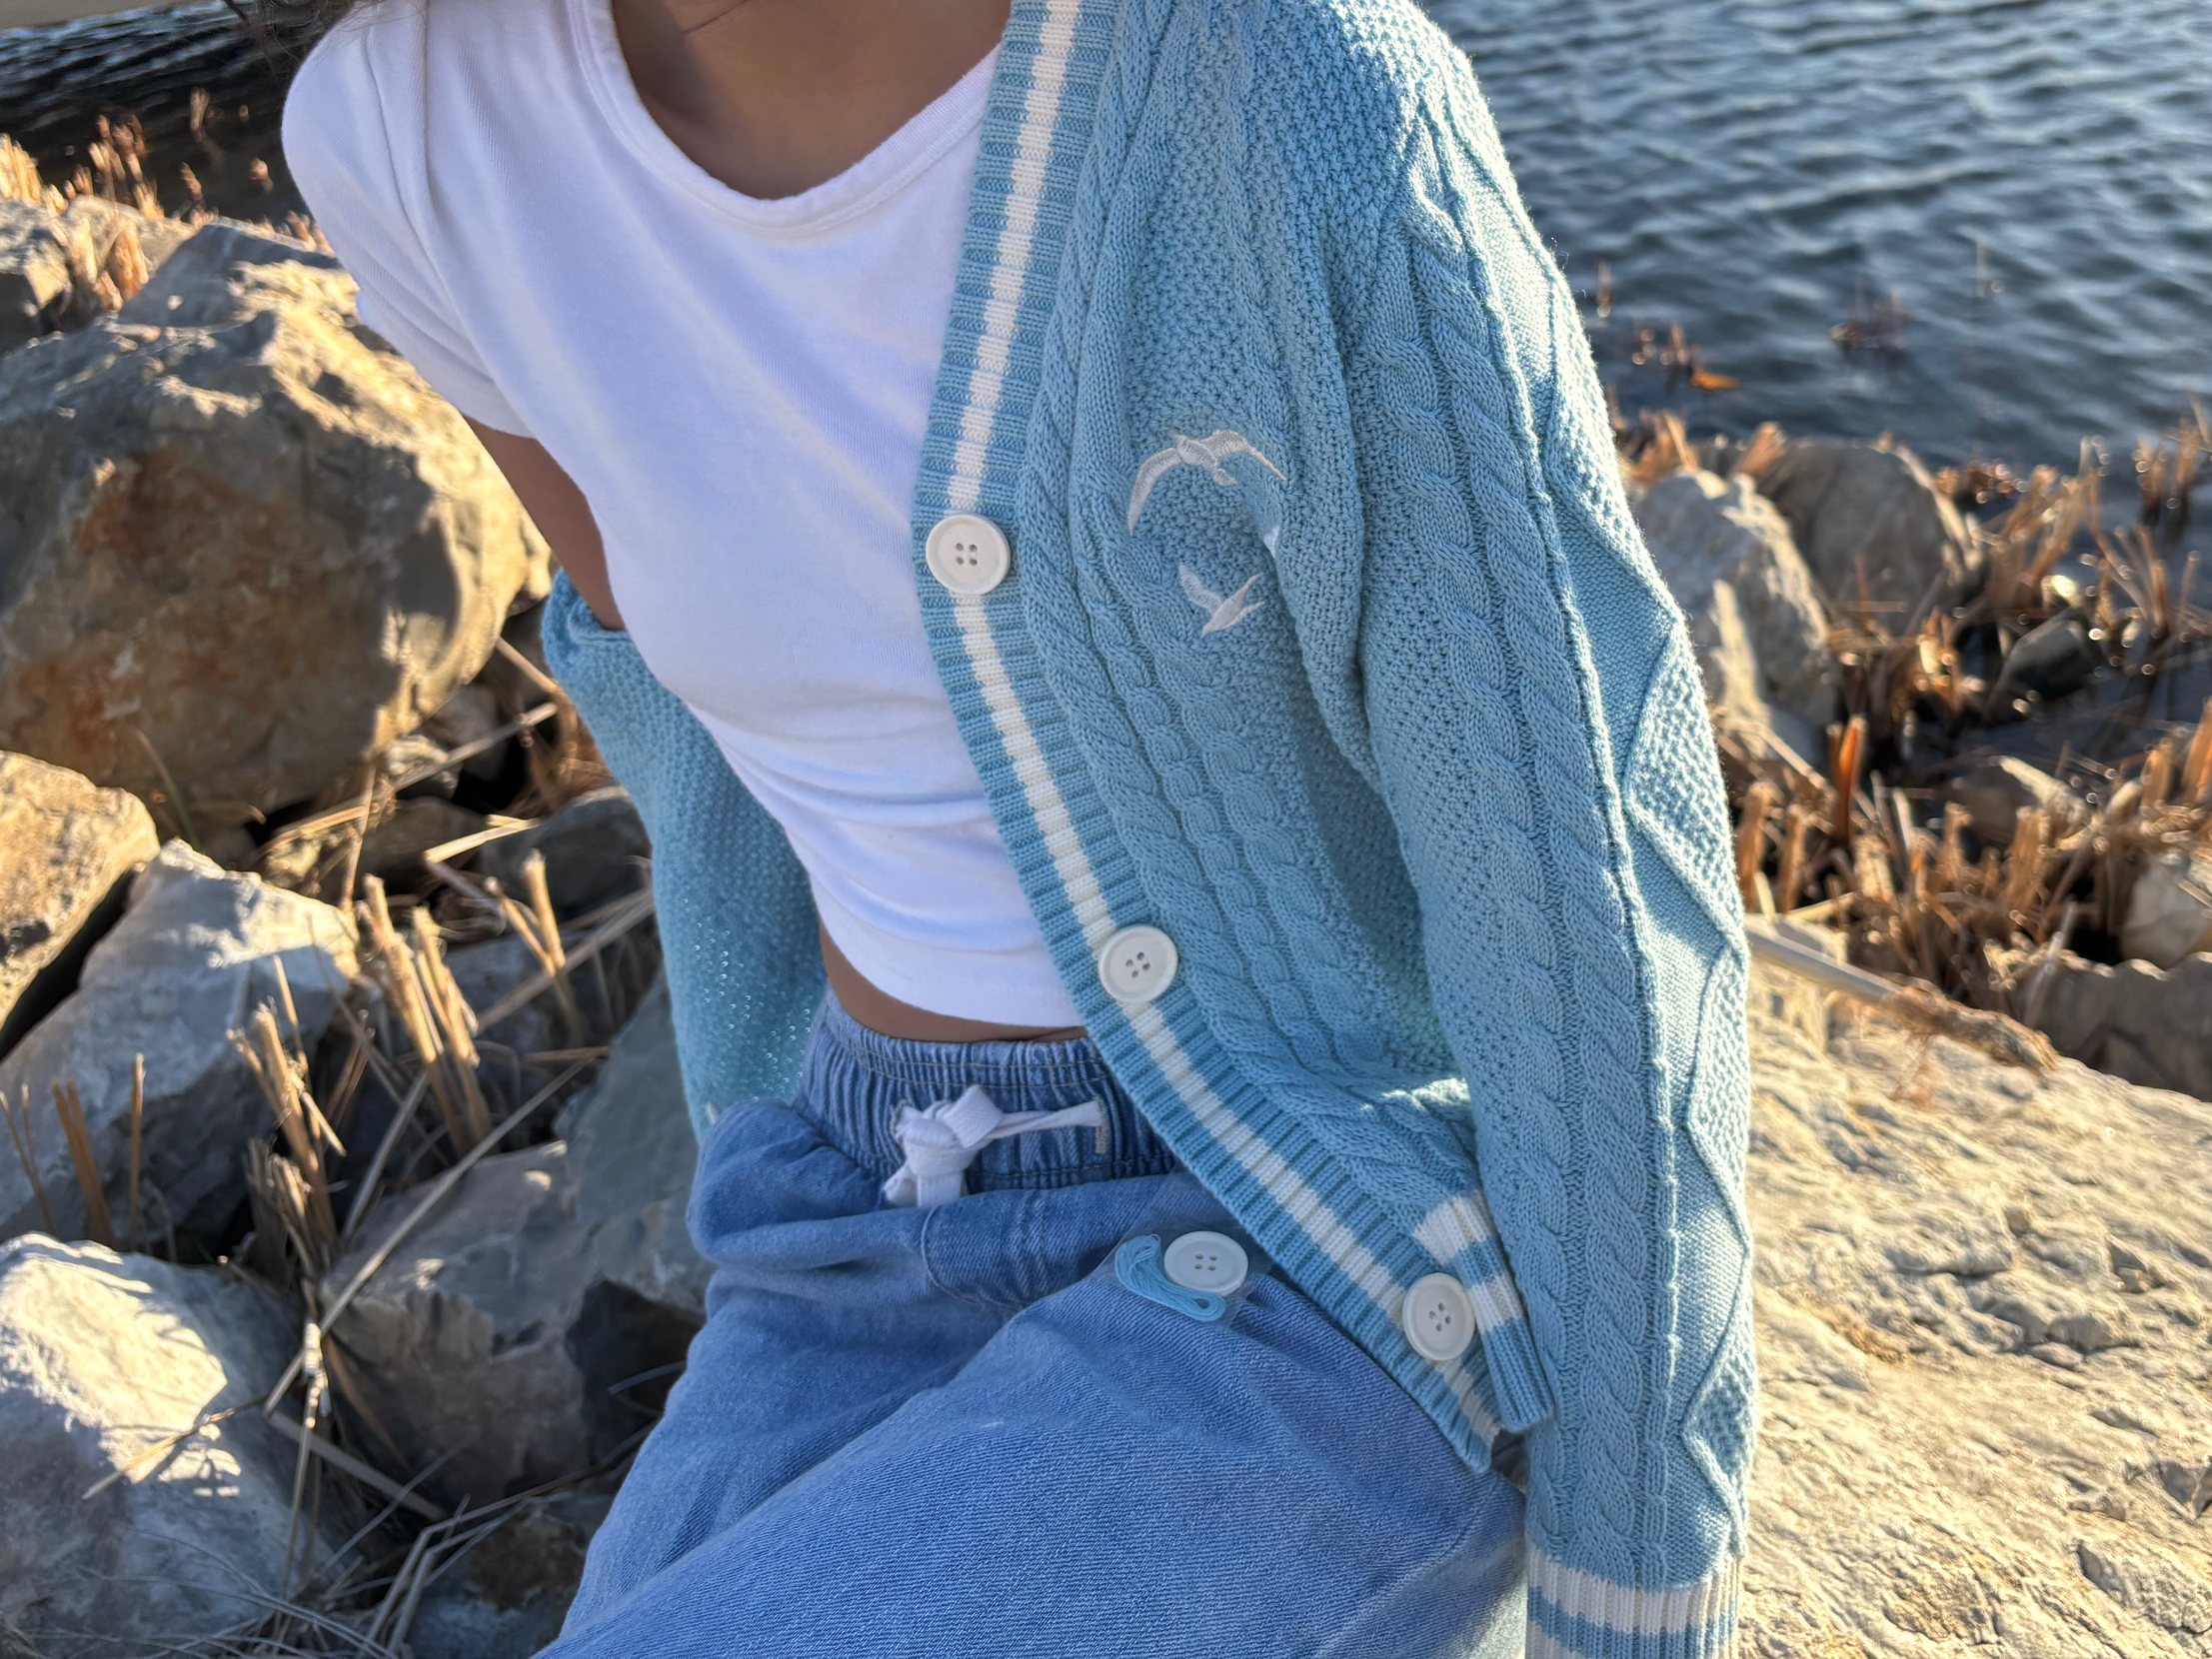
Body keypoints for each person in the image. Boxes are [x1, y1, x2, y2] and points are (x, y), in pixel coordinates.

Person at [280, 0, 1756, 1652]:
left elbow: (1583, 891)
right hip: (850, 1215)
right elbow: (703, 741)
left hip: (1319, 1237)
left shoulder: (1291, 89)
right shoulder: (401, 133)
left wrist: (1634, 1581)